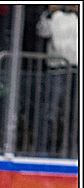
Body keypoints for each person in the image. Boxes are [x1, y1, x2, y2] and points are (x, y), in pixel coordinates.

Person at [36, 5, 79, 155]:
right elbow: (42, 31)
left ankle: (72, 149)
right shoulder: (52, 17)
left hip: (76, 69)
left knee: (75, 114)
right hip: (57, 69)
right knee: (50, 112)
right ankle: (43, 149)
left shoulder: (77, 17)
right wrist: (49, 13)